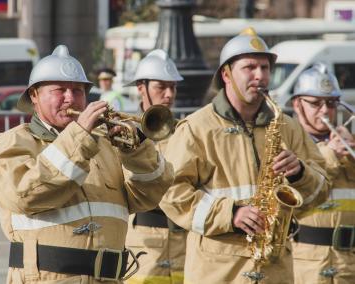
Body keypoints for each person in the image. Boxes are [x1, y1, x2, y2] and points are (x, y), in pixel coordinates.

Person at [0, 45, 174, 284]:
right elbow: (22, 195)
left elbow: (147, 198)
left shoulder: (103, 141)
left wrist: (135, 151)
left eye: (77, 90)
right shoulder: (13, 142)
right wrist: (79, 137)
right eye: (59, 90)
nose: (70, 98)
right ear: (34, 95)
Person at [159, 27, 330, 283]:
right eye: (249, 67)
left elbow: (321, 191)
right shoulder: (196, 128)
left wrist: (300, 174)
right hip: (218, 271)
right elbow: (170, 193)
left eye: (265, 68)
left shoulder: (288, 126)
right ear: (226, 74)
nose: (260, 76)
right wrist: (231, 213)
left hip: (275, 270)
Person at [123, 49, 186, 284]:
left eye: (173, 87)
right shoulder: (123, 131)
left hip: (184, 248)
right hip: (142, 246)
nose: (169, 94)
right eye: (161, 87)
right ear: (141, 87)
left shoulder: (186, 131)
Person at [290, 62, 355, 284]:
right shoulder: (288, 141)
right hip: (306, 262)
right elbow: (298, 184)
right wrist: (330, 154)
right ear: (297, 105)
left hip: (348, 262)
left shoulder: (346, 141)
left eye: (331, 103)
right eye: (315, 103)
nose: (325, 111)